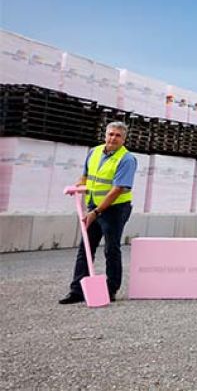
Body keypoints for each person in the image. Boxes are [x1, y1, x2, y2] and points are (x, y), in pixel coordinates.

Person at [59, 121, 137, 304]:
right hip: (93, 205)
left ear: (124, 139)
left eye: (118, 135)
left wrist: (96, 212)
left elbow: (118, 189)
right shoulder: (94, 152)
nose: (113, 138)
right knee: (85, 248)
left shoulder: (126, 159)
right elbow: (86, 176)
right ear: (105, 135)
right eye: (111, 134)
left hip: (115, 209)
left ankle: (110, 290)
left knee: (111, 248)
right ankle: (77, 291)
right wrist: (78, 185)